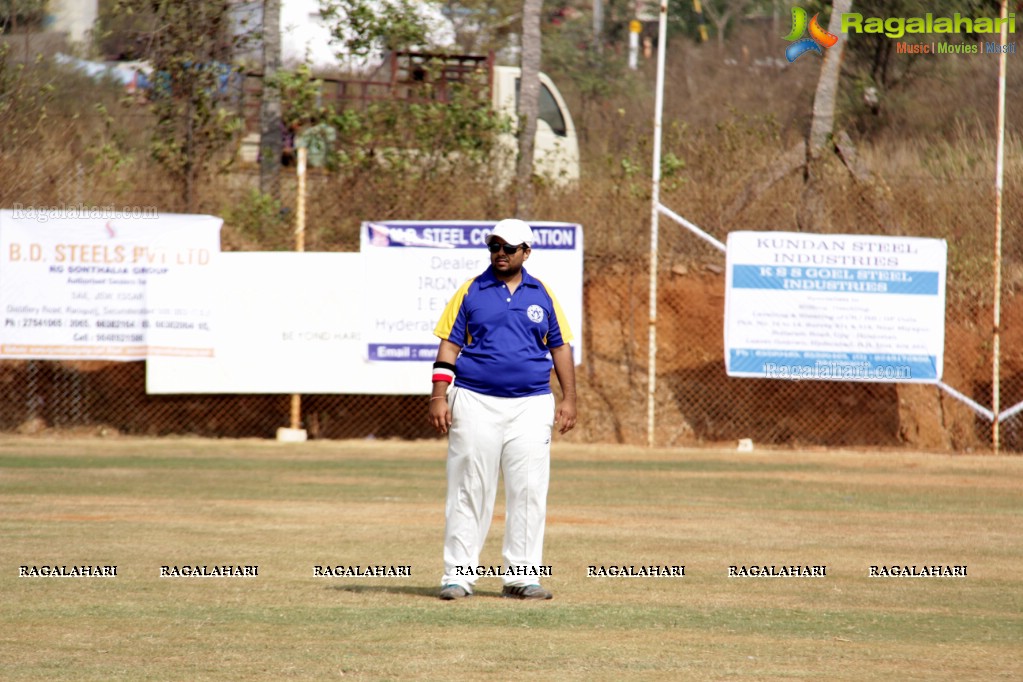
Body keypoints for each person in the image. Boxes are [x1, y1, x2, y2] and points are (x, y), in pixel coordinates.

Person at [428, 218, 578, 601]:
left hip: (530, 404)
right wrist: (438, 396)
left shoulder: (542, 293)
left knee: (528, 489)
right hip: (476, 400)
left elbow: (560, 347)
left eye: (508, 248)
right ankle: (458, 576)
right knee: (469, 488)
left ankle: (521, 576)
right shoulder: (471, 290)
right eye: (494, 246)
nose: (499, 254)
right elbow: (449, 347)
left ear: (526, 252)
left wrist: (570, 399)